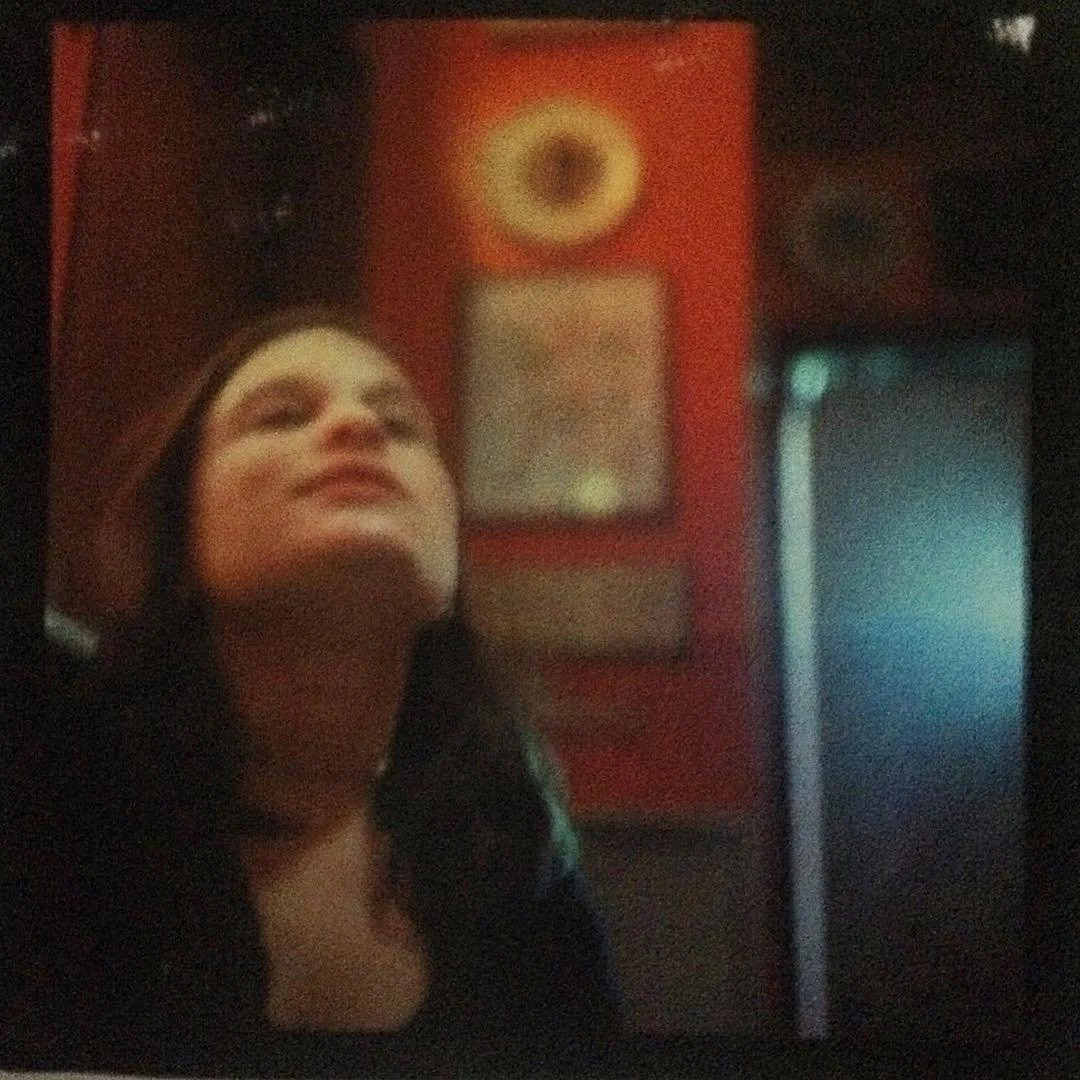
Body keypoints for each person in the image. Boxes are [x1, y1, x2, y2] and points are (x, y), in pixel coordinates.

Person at [4, 305, 621, 1073]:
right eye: (283, 415)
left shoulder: (518, 866)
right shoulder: (48, 798)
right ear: (180, 532)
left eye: (399, 425)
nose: (357, 427)